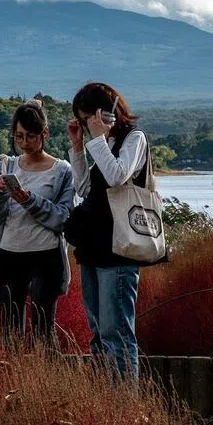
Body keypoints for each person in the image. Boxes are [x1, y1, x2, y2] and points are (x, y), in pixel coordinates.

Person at [66, 82, 149, 379]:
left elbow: (117, 176)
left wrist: (98, 139)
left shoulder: (134, 139)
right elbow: (84, 188)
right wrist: (78, 148)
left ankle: (125, 402)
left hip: (120, 247)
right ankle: (105, 397)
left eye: (89, 118)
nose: (88, 125)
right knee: (99, 332)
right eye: (83, 120)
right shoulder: (104, 143)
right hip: (93, 245)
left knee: (118, 332)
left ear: (107, 112)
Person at [0, 99, 73, 344]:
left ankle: (45, 369)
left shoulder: (62, 170)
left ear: (44, 134)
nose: (24, 142)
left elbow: (64, 218)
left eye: (30, 136)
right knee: (10, 332)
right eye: (18, 136)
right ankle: (15, 369)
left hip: (46, 256)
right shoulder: (3, 167)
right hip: (9, 254)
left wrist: (31, 201)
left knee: (44, 331)